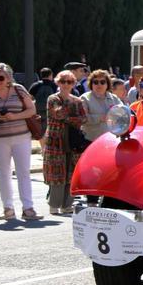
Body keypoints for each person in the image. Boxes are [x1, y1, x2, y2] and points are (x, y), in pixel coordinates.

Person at [0, 63, 39, 220]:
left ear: (9, 78)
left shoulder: (19, 89)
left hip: (21, 137)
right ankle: (8, 209)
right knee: (3, 174)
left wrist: (14, 116)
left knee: (23, 172)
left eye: (1, 77)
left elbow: (32, 110)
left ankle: (28, 208)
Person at [43, 71, 86, 215]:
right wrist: (72, 116)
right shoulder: (52, 98)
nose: (66, 85)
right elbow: (58, 113)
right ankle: (54, 205)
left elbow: (83, 119)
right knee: (57, 175)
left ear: (74, 83)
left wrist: (68, 117)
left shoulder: (78, 101)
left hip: (73, 142)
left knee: (71, 175)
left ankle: (67, 205)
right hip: (56, 142)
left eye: (69, 82)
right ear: (58, 82)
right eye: (63, 81)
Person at [80, 68, 122, 147]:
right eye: (95, 82)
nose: (99, 85)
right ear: (91, 84)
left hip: (111, 140)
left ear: (107, 84)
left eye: (102, 82)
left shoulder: (114, 98)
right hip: (90, 141)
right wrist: (101, 118)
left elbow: (122, 114)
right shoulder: (84, 98)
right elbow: (82, 118)